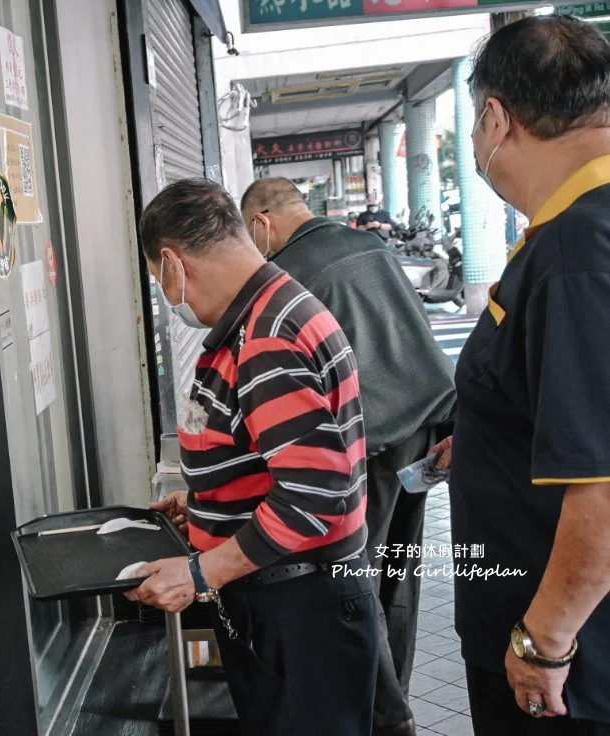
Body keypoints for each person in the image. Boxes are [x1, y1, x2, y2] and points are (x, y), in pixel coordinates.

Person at [126, 178, 379, 735]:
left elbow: (311, 496)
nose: (174, 299)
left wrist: (200, 572)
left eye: (160, 280)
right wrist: (208, 502)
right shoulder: (267, 311)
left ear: (172, 263)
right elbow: (281, 457)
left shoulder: (266, 337)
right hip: (293, 599)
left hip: (300, 607)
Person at [434, 14, 610, 735]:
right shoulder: (577, 233)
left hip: (574, 671)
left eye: (474, 127)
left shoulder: (576, 254)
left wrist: (541, 642)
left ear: (496, 119)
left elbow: (602, 487)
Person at [241, 177, 456, 736]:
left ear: (261, 224)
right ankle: (398, 698)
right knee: (398, 576)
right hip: (426, 427)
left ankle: (386, 716)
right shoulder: (370, 245)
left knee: (354, 579)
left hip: (372, 442)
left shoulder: (291, 276)